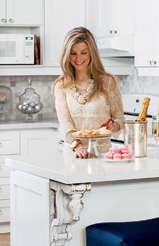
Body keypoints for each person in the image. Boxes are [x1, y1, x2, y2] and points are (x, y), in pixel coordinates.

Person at [52, 27, 124, 158]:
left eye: (83, 52)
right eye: (73, 53)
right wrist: (78, 147)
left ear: (92, 53)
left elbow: (120, 118)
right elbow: (65, 123)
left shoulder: (108, 81)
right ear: (66, 55)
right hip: (74, 154)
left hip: (102, 154)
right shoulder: (61, 85)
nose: (78, 58)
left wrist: (114, 125)